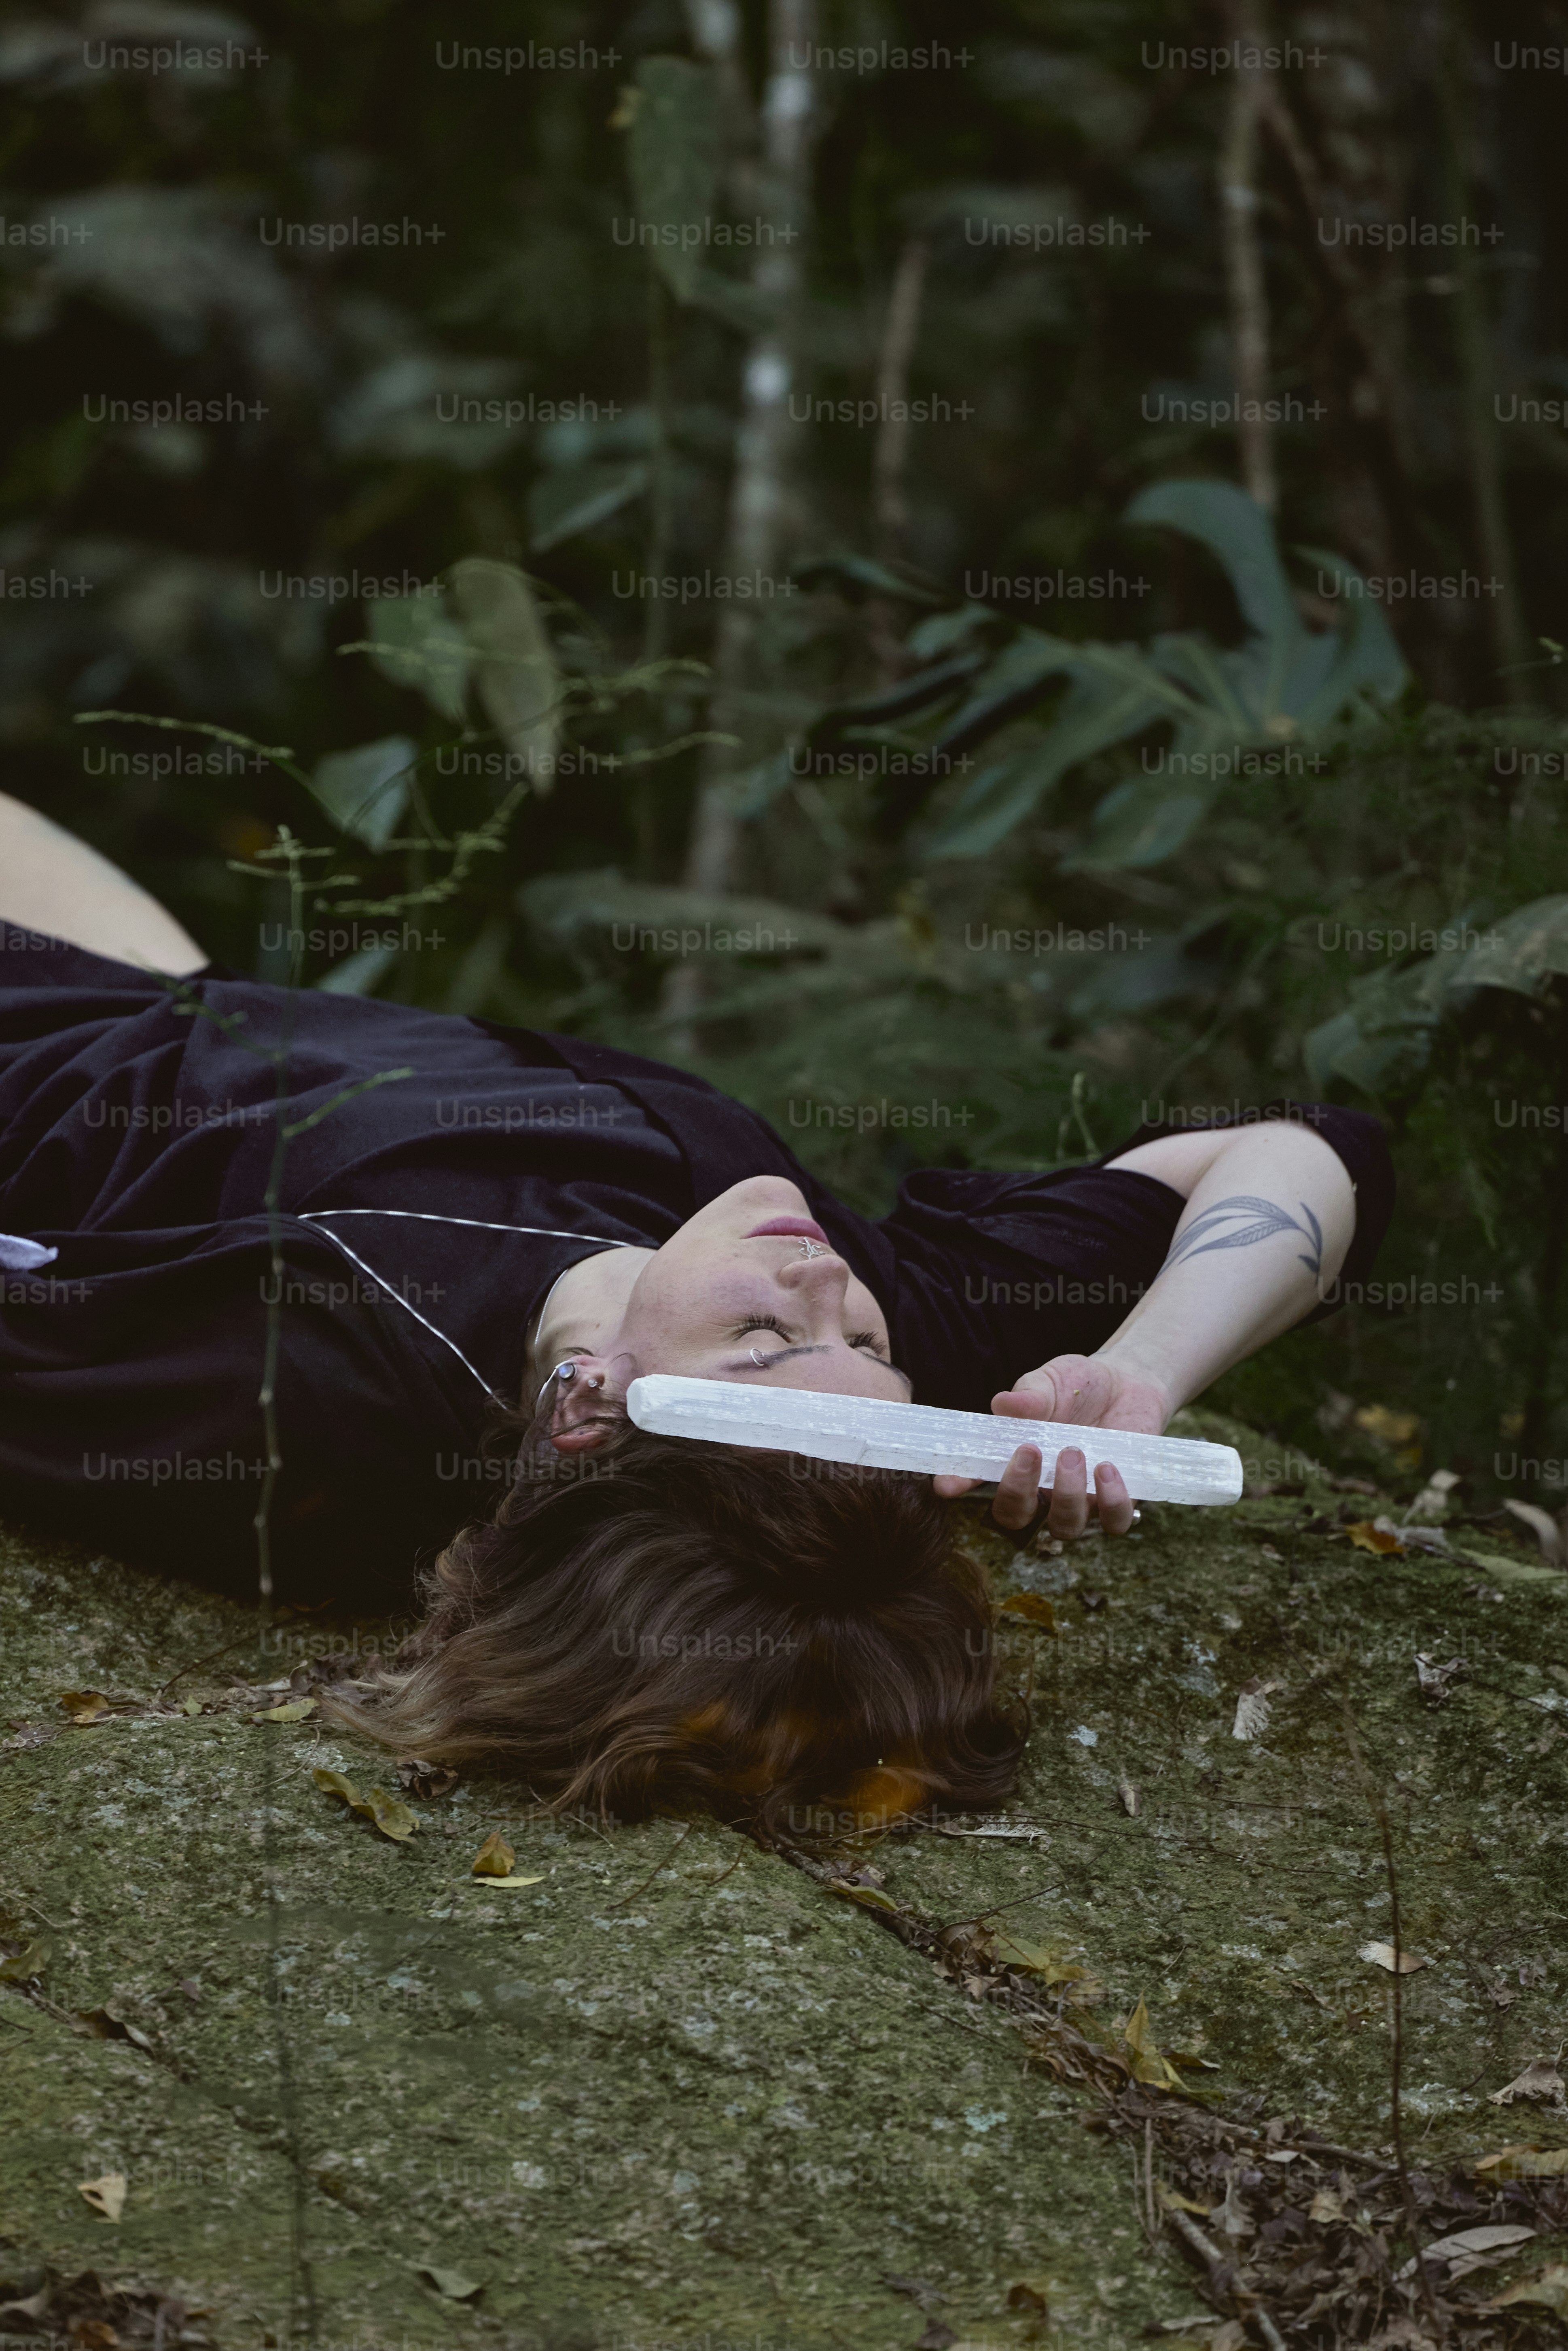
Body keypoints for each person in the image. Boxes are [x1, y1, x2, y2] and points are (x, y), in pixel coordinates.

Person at [0, 791, 1393, 1833]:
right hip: (191, 997)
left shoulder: (308, 1393)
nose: (826, 1286)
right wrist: (1141, 1372)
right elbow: (1307, 1147)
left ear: (590, 1408)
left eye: (770, 1340)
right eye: (870, 1353)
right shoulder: (877, 1330)